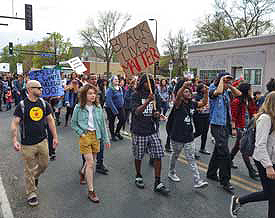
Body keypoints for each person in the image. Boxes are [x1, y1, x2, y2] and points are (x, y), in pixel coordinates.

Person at [10, 80, 58, 206]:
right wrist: (15, 140)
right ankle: (31, 193)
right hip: (27, 144)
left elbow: (50, 121)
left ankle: (34, 177)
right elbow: (15, 123)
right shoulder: (22, 105)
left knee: (44, 164)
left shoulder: (44, 103)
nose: (41, 90)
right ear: (30, 89)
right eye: (39, 88)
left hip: (43, 141)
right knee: (28, 169)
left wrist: (55, 137)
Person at [230, 91, 275, 218]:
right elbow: (260, 145)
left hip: (272, 159)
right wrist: (268, 166)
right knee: (270, 194)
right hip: (264, 161)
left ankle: (239, 201)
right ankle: (239, 200)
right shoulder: (265, 119)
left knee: (271, 194)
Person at [71, 84, 111, 203]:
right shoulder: (78, 107)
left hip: (96, 136)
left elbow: (103, 125)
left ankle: (82, 172)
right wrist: (81, 134)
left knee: (92, 160)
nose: (93, 95)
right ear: (84, 95)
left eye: (94, 93)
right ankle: (91, 191)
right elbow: (73, 124)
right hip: (85, 136)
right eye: (90, 93)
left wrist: (106, 139)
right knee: (90, 163)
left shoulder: (98, 107)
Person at [131, 74, 170, 195]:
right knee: (139, 156)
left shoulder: (155, 95)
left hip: (152, 130)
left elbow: (155, 111)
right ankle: (138, 175)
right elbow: (136, 112)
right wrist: (148, 100)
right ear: (142, 83)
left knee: (158, 155)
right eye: (147, 82)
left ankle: (157, 182)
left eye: (151, 82)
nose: (149, 84)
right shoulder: (136, 95)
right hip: (139, 130)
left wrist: (157, 114)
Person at [167, 81, 209, 189]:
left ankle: (197, 180)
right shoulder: (178, 104)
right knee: (175, 155)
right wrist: (184, 86)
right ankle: (171, 172)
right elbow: (177, 97)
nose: (188, 93)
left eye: (189, 91)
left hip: (189, 136)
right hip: (177, 135)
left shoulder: (192, 103)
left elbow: (203, 103)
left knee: (191, 158)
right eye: (185, 91)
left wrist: (206, 92)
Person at [206, 72, 242, 192]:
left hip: (225, 124)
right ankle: (225, 181)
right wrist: (222, 80)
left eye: (228, 80)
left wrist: (230, 85)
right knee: (225, 153)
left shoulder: (226, 91)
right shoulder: (213, 88)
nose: (227, 83)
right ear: (219, 80)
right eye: (225, 80)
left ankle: (211, 173)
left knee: (218, 149)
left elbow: (239, 94)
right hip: (217, 124)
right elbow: (218, 92)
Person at [230, 82, 259, 180]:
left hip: (249, 127)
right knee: (244, 149)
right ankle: (251, 171)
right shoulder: (237, 101)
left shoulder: (250, 100)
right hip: (240, 127)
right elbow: (233, 116)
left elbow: (254, 112)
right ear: (246, 90)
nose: (252, 90)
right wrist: (234, 128)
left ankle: (229, 160)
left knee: (238, 146)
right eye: (250, 89)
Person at [105, 75, 125, 141]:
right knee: (112, 121)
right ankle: (112, 135)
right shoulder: (110, 89)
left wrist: (122, 105)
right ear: (112, 81)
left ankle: (117, 132)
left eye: (117, 79)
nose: (117, 80)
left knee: (122, 119)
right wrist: (114, 110)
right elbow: (109, 101)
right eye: (115, 79)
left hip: (120, 107)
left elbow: (122, 97)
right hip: (111, 108)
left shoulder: (120, 88)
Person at [193, 83, 211, 155]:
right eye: (204, 87)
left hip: (206, 115)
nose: (205, 88)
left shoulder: (207, 95)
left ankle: (202, 148)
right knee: (199, 131)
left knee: (205, 132)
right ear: (200, 89)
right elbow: (196, 105)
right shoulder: (196, 96)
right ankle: (188, 139)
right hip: (198, 116)